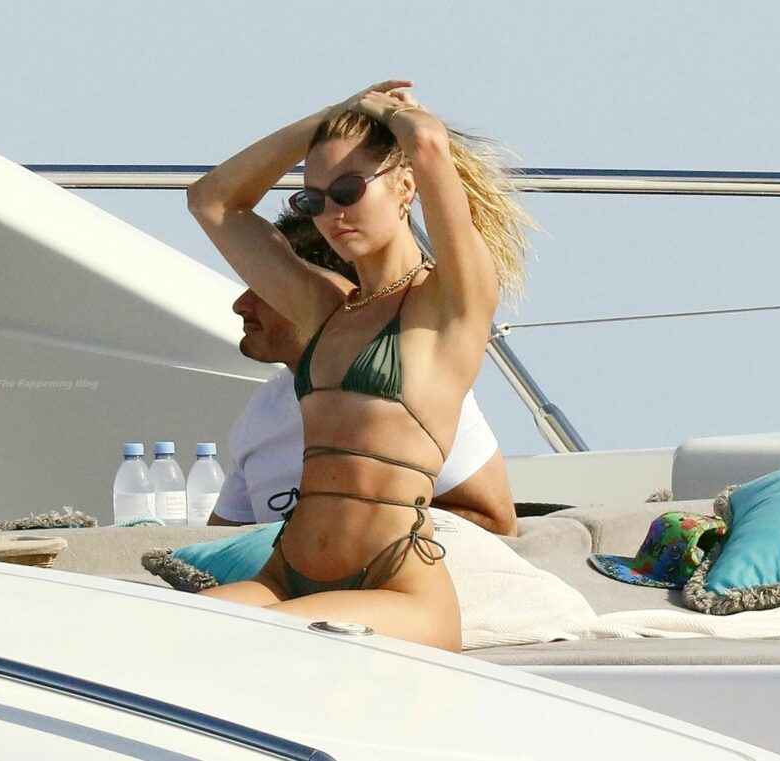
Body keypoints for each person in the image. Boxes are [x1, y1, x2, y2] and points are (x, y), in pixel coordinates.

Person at [187, 80, 530, 651]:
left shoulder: (449, 304)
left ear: (404, 187)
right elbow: (212, 201)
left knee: (251, 642)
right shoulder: (324, 311)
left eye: (348, 190)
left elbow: (428, 143)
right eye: (313, 200)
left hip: (396, 589)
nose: (332, 214)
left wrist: (383, 113)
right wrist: (327, 116)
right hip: (284, 576)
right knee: (152, 635)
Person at [208, 210, 517, 536]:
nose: (241, 305)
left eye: (263, 288)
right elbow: (217, 540)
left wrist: (341, 537)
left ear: (325, 287)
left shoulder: (418, 385)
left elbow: (495, 523)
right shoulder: (262, 409)